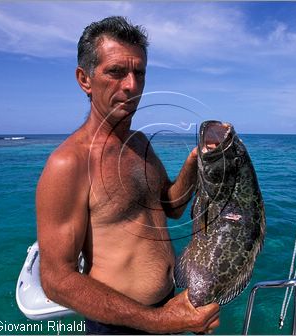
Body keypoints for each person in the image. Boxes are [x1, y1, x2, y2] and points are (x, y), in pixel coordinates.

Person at [36, 16, 220, 334]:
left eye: (139, 73)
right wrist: (158, 321)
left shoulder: (138, 143)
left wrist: (196, 162)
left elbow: (171, 207)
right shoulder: (69, 164)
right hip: (120, 325)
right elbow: (57, 281)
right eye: (116, 72)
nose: (132, 85)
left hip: (168, 305)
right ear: (85, 79)